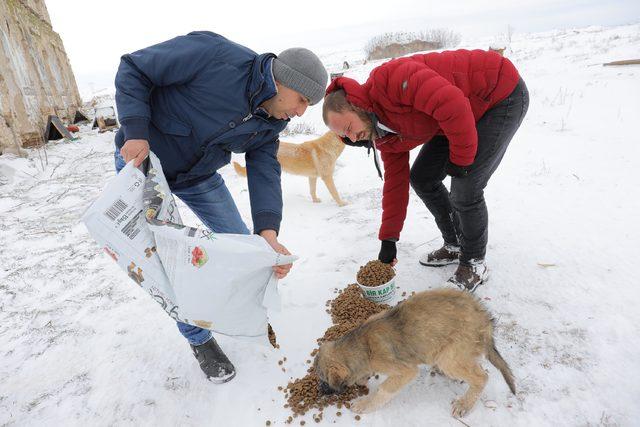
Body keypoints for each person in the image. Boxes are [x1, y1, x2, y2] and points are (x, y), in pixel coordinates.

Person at [113, 31, 328, 383]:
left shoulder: (274, 120)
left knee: (247, 247)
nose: (301, 112)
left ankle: (239, 311)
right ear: (281, 80)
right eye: (302, 99)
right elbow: (135, 69)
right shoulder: (214, 54)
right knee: (166, 264)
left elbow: (264, 168)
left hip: (197, 175)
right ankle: (200, 341)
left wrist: (268, 232)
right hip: (144, 161)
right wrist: (135, 129)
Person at [323, 49, 528, 292]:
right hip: (451, 117)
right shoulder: (382, 135)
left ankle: (473, 263)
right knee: (422, 177)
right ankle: (454, 243)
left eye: (348, 127)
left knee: (466, 187)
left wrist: (461, 162)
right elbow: (395, 185)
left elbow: (452, 104)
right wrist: (389, 238)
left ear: (356, 106)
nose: (353, 137)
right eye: (344, 135)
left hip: (498, 93)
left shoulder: (392, 79)